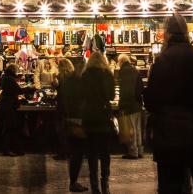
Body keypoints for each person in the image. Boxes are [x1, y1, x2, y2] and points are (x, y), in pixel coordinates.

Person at [144, 15, 193, 194]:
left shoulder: (162, 61)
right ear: (187, 33)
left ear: (167, 35)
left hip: (168, 135)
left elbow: (150, 100)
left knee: (170, 184)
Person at [79, 50, 116, 194]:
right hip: (103, 117)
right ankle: (105, 183)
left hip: (88, 117)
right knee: (105, 152)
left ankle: (94, 185)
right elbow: (112, 95)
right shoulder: (107, 74)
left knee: (92, 153)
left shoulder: (85, 75)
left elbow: (80, 95)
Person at [57, 58, 88, 192]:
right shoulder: (81, 81)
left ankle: (74, 181)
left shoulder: (68, 81)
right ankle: (74, 182)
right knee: (78, 153)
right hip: (79, 120)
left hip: (70, 119)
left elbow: (64, 99)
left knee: (76, 153)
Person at [115, 55, 143, 160]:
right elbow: (140, 88)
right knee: (137, 129)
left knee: (130, 130)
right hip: (137, 104)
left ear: (121, 62)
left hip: (129, 105)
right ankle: (140, 150)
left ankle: (133, 151)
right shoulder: (136, 70)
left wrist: (122, 105)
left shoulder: (123, 72)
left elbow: (124, 91)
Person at [0, 64, 24, 156]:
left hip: (5, 106)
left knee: (9, 128)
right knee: (9, 129)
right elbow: (19, 90)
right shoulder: (10, 79)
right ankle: (7, 150)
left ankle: (12, 149)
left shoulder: (6, 78)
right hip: (8, 107)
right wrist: (31, 89)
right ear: (13, 70)